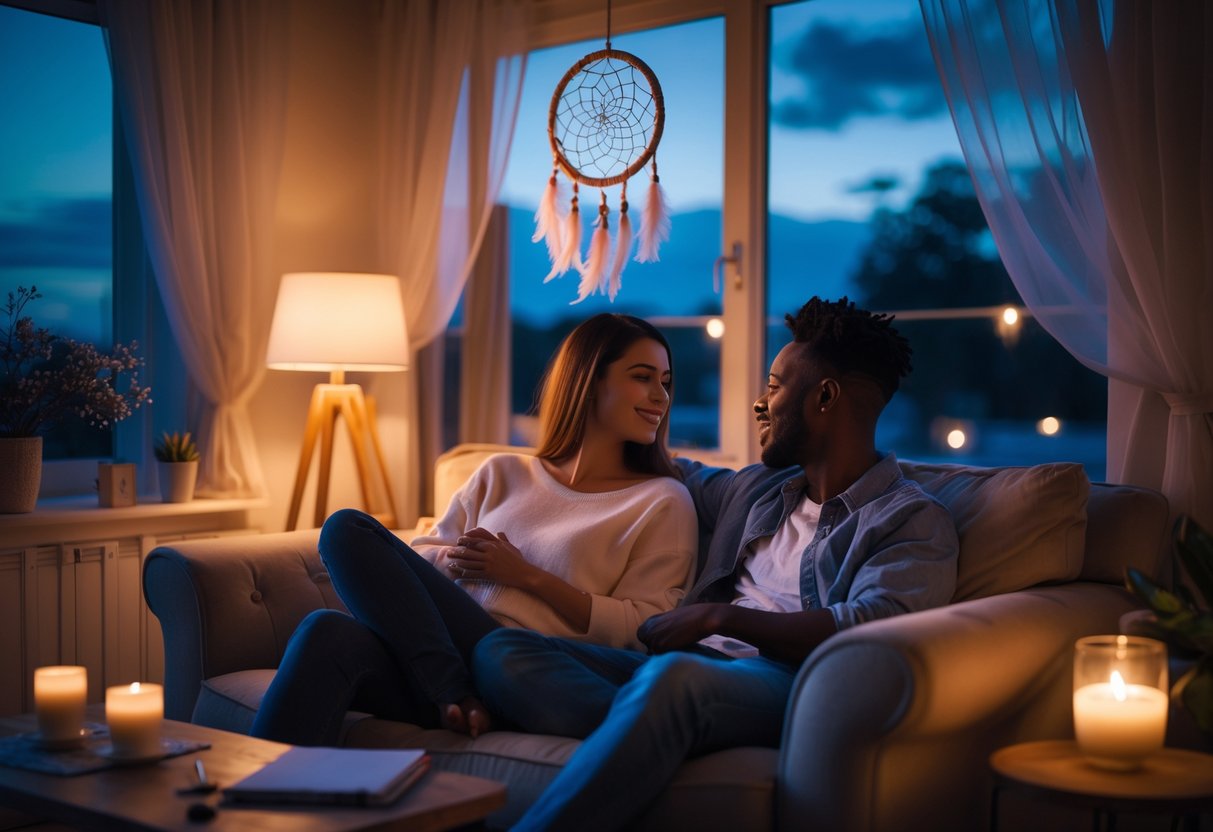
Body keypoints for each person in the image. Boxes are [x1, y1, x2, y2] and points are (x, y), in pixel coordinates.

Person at [472, 296, 960, 831]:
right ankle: (654, 728)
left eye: (774, 387)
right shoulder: (757, 489)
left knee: (676, 679)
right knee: (504, 650)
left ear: (824, 397)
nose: (759, 403)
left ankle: (649, 727)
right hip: (684, 668)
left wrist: (720, 617)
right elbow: (666, 465)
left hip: (787, 682)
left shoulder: (910, 519)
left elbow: (870, 629)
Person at [250, 313, 697, 746]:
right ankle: (259, 797)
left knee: (350, 535)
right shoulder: (501, 473)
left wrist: (525, 576)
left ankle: (455, 691)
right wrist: (464, 557)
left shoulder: (661, 501)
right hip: (440, 649)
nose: (661, 396)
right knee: (332, 596)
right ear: (590, 380)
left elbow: (645, 628)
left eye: (666, 381)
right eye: (643, 377)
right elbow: (421, 558)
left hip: (524, 668)